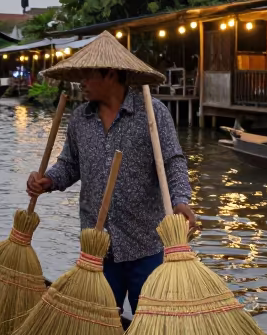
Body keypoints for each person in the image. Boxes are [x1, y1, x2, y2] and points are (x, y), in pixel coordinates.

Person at [27, 66, 197, 315]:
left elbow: (173, 161)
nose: (81, 83)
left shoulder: (151, 112)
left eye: (88, 76)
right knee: (97, 325)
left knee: (151, 324)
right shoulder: (80, 119)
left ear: (110, 75)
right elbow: (70, 164)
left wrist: (180, 199)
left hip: (145, 242)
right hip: (98, 246)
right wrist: (49, 181)